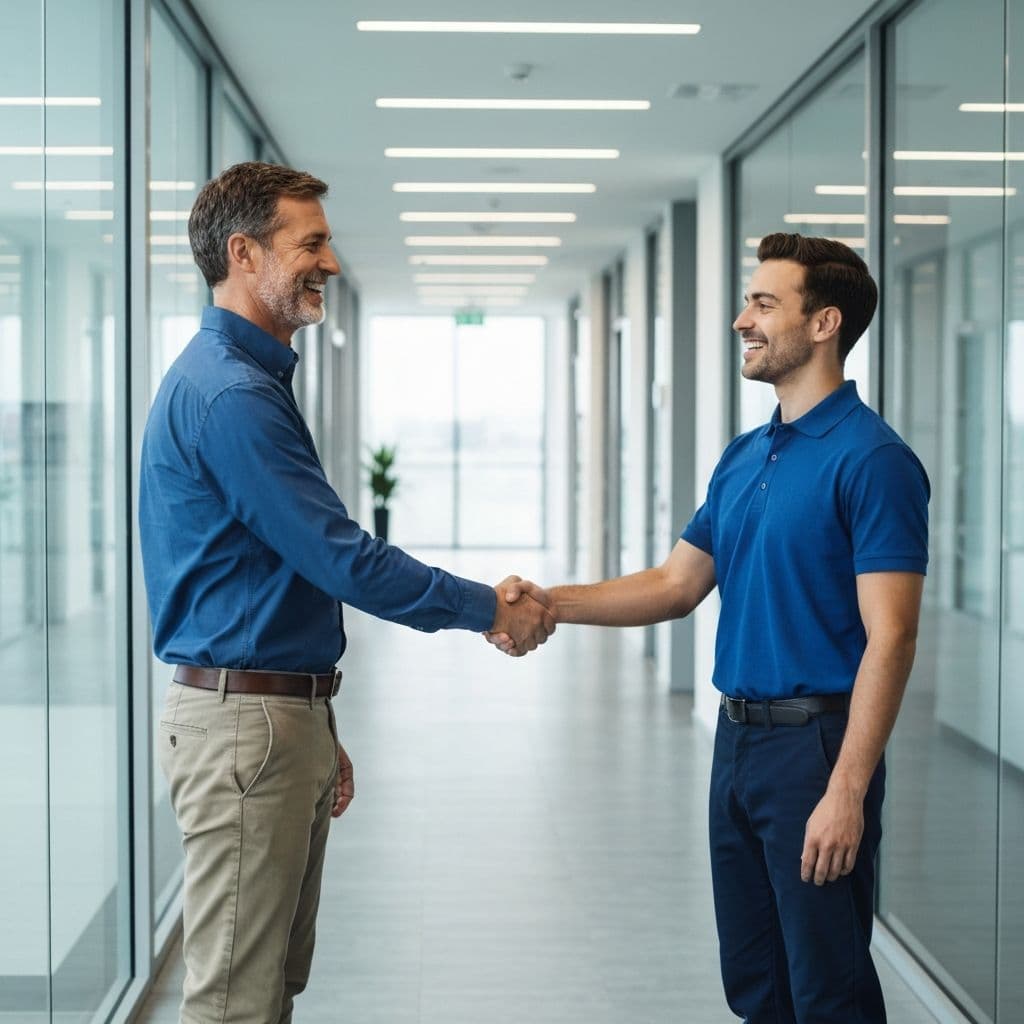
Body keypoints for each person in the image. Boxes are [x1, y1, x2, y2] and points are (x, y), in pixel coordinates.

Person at [138, 161, 553, 1024]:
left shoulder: (246, 381)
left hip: (268, 717)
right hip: (246, 724)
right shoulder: (231, 396)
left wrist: (311, 719)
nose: (329, 262)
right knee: (233, 1002)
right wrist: (489, 609)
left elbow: (277, 575)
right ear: (243, 253)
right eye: (311, 243)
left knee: (269, 985)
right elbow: (344, 560)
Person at [489, 233, 929, 1023]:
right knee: (756, 982)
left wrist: (847, 790)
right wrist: (545, 602)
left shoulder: (873, 461)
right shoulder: (747, 454)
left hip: (816, 750)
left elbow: (891, 637)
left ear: (824, 323)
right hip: (738, 747)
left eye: (763, 303)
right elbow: (674, 584)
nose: (740, 320)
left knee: (828, 989)